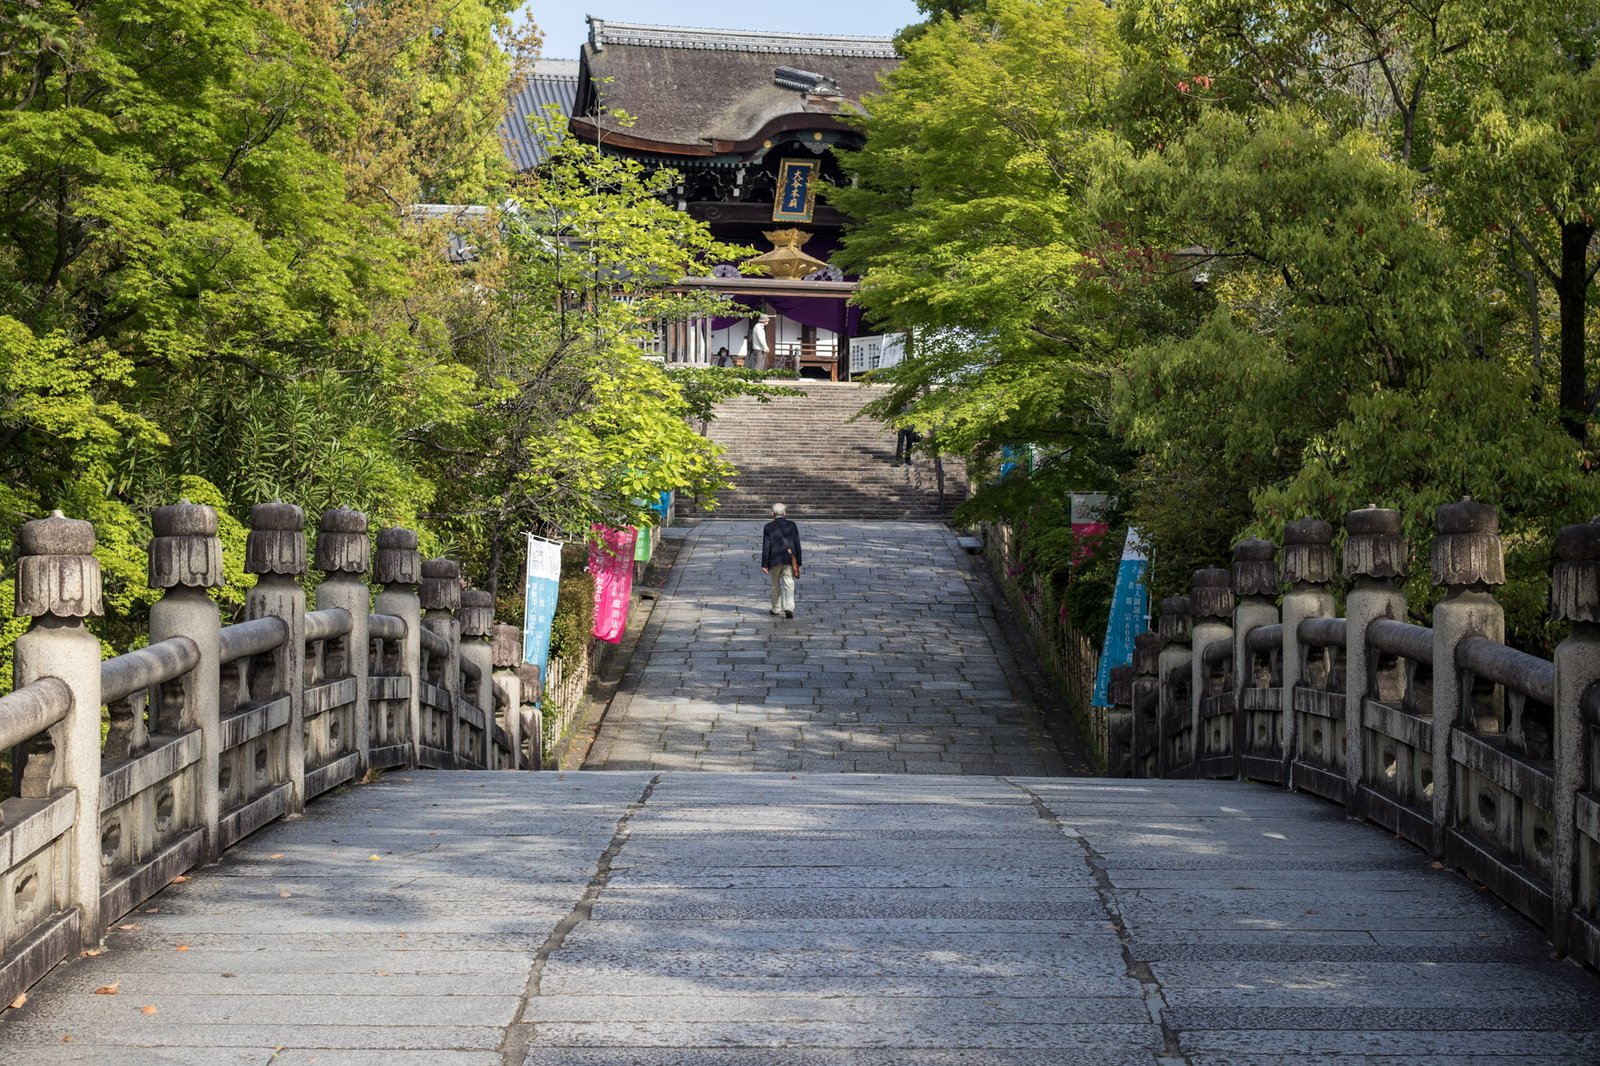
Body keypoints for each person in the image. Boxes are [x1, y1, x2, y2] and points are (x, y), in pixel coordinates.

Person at [761, 502, 802, 618]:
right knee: (789, 583)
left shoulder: (768, 527)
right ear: (785, 513)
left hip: (774, 560)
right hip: (789, 559)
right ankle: (789, 607)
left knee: (775, 585)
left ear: (772, 514)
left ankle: (776, 608)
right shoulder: (792, 525)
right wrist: (798, 561)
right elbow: (797, 544)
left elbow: (766, 546)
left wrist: (765, 564)